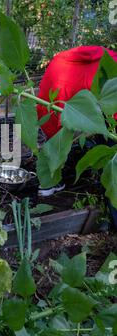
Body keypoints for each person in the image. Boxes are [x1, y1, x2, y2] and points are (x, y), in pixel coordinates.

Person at [36, 45, 117, 226]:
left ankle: (48, 184)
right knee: (110, 147)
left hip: (57, 97)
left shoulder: (60, 60)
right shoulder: (112, 62)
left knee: (56, 142)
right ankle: (111, 199)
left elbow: (44, 99)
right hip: (94, 101)